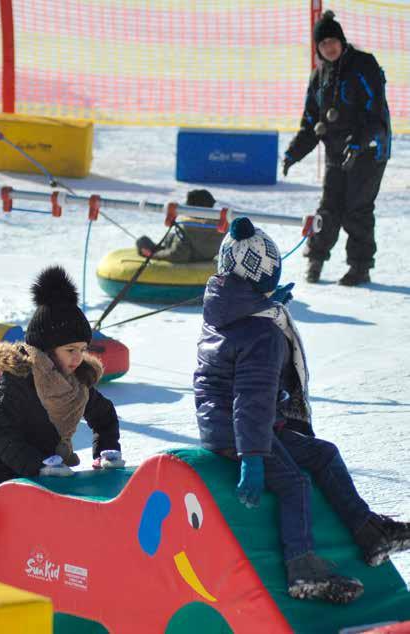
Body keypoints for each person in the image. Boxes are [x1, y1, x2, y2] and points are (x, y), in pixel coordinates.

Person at [194, 216, 410, 604]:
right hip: (240, 430)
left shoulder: (227, 307)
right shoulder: (262, 332)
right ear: (261, 276)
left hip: (234, 421)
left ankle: (369, 534)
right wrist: (253, 457)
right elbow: (252, 397)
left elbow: (239, 362)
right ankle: (302, 570)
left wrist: (265, 304)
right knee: (294, 483)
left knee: (324, 454)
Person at [0, 266, 124, 573]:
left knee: (39, 534)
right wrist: (36, 464)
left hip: (44, 472)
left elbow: (105, 416)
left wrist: (107, 449)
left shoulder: (76, 385)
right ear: (46, 349)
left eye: (82, 349)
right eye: (70, 350)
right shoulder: (17, 379)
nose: (78, 358)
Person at [282, 11, 391, 286]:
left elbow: (375, 114)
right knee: (328, 208)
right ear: (317, 48)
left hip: (368, 149)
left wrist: (358, 142)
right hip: (335, 151)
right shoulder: (319, 76)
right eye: (323, 44)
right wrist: (293, 153)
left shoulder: (363, 65)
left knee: (357, 207)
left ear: (341, 41)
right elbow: (311, 123)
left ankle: (360, 266)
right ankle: (316, 258)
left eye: (332, 41)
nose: (328, 47)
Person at [136, 189, 224, 263]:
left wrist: (153, 255)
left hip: (192, 256)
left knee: (142, 241)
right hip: (204, 254)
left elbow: (179, 255)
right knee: (170, 237)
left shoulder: (188, 228)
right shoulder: (222, 227)